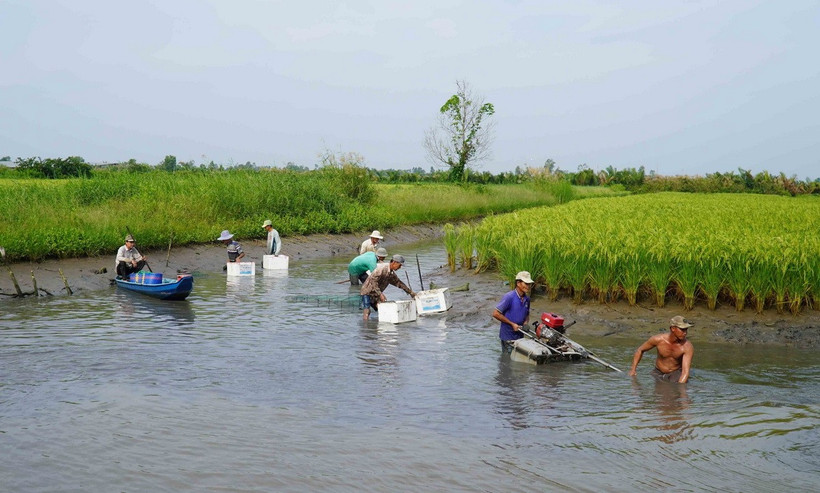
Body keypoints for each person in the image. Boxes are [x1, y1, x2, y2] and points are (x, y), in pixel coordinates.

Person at [629, 316, 695, 383]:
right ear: (673, 328)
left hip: (675, 373)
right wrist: (633, 370)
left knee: (673, 387)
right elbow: (640, 350)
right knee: (658, 390)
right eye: (682, 329)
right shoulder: (658, 340)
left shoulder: (687, 347)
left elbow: (685, 372)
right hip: (658, 372)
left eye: (686, 329)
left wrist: (681, 389)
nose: (685, 333)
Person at [360, 254, 416, 320]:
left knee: (382, 309)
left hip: (376, 293)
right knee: (367, 309)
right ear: (394, 262)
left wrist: (410, 292)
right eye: (400, 265)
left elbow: (399, 283)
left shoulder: (391, 274)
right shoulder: (382, 268)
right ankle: (366, 326)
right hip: (367, 291)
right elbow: (373, 281)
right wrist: (380, 294)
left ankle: (381, 325)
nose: (400, 267)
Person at [492, 271, 534, 351]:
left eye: (529, 284)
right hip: (508, 336)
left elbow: (527, 314)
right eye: (526, 284)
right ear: (518, 283)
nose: (528, 286)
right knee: (507, 360)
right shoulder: (509, 297)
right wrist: (512, 324)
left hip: (520, 336)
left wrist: (525, 323)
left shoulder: (527, 299)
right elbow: (496, 313)